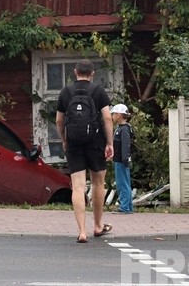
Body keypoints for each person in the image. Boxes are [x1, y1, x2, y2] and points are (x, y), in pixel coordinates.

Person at [56, 59, 114, 243]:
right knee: (98, 183)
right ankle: (97, 225)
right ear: (92, 73)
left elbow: (59, 120)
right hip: (96, 142)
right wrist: (109, 143)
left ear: (75, 72)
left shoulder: (66, 92)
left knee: (78, 186)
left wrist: (64, 139)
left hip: (74, 143)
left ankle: (82, 231)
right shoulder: (98, 91)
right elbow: (107, 118)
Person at [111, 103, 134, 214]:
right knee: (125, 183)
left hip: (121, 160)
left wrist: (125, 159)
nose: (112, 116)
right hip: (119, 159)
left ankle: (124, 207)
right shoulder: (121, 128)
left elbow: (125, 145)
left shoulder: (123, 129)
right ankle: (128, 206)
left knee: (122, 184)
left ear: (119, 115)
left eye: (114, 114)